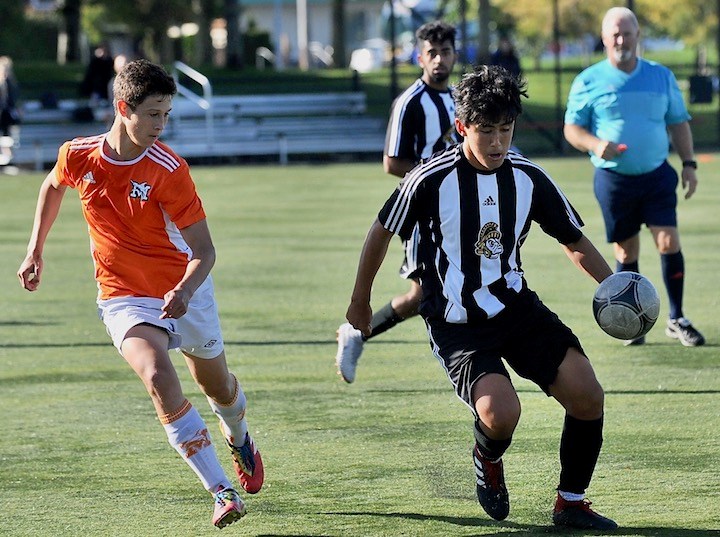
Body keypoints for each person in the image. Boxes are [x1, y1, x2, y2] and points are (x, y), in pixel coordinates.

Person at [343, 65, 619, 530]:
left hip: (517, 308)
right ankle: (487, 456)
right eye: (486, 131)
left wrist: (614, 288)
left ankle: (571, 503)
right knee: (501, 413)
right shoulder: (429, 179)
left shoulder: (529, 177)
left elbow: (573, 240)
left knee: (588, 396)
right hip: (455, 321)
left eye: (505, 129)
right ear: (461, 127)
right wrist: (359, 301)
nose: (497, 142)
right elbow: (380, 230)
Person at [17, 59, 264, 529]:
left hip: (184, 288)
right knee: (156, 373)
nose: (161, 125)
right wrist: (36, 250)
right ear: (122, 107)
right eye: (153, 114)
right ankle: (220, 490)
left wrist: (185, 291)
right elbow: (52, 186)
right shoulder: (79, 155)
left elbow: (206, 251)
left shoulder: (169, 169)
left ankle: (239, 438)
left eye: (167, 114)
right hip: (123, 295)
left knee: (218, 386)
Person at [564, 6, 705, 347]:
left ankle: (676, 317)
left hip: (657, 175)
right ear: (604, 38)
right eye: (615, 33)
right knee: (626, 253)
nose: (621, 39)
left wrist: (688, 163)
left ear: (638, 36)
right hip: (614, 180)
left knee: (668, 241)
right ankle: (635, 321)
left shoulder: (661, 76)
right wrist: (596, 144)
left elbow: (678, 122)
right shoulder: (588, 80)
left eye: (627, 33)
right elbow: (573, 128)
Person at [335, 20, 461, 383]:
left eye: (446, 52)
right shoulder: (409, 103)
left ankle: (358, 332)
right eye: (432, 53)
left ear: (455, 55)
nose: (440, 59)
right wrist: (432, 176)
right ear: (420, 57)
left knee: (439, 289)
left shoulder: (458, 99)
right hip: (424, 215)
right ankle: (357, 331)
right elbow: (392, 163)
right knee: (423, 294)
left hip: (458, 210)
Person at [0, 55, 21, 165]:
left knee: (7, 137)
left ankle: (8, 159)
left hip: (6, 118)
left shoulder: (10, 84)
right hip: (4, 117)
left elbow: (11, 103)